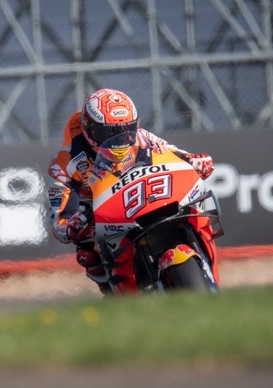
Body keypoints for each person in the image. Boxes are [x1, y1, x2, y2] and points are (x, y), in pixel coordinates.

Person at [46, 88, 214, 294]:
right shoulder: (64, 161)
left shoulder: (140, 136)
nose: (119, 139)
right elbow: (60, 221)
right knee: (86, 254)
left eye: (126, 129)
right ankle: (113, 291)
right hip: (97, 212)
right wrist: (72, 225)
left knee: (192, 209)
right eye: (107, 133)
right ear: (89, 129)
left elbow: (172, 152)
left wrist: (194, 161)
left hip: (143, 195)